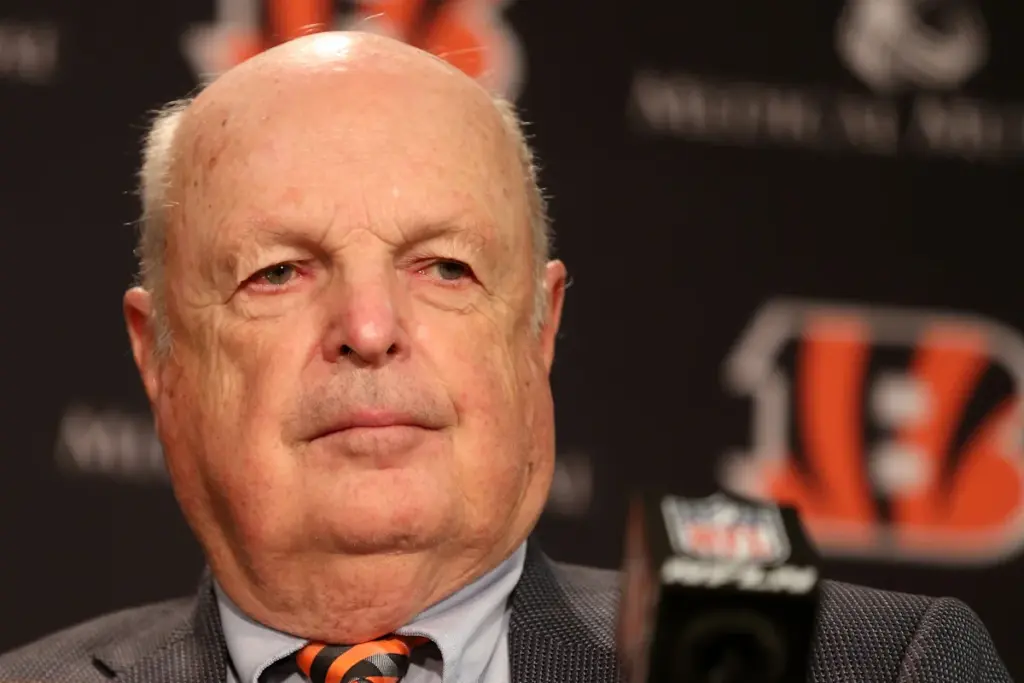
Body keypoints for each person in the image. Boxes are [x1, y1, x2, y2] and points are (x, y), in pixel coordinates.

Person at [0, 30, 1011, 683]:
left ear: (540, 326)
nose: (368, 326)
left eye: (445, 265)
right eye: (278, 272)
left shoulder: (870, 666)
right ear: (160, 357)